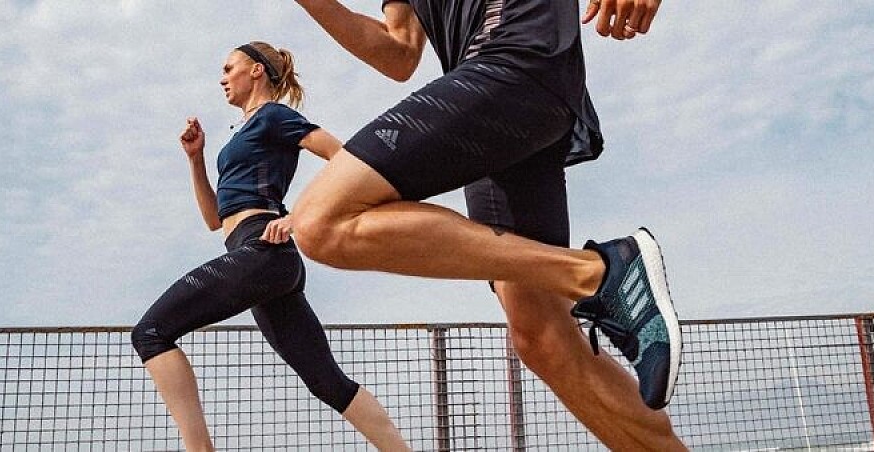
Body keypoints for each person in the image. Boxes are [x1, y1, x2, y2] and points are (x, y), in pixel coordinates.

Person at [277, 0, 686, 449]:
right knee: (541, 334)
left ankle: (599, 273)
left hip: (519, 52)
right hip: (488, 98)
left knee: (321, 220)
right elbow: (398, 52)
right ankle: (604, 280)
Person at [131, 41, 410, 452]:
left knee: (151, 332)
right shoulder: (242, 132)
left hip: (266, 251)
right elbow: (214, 220)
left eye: (229, 68)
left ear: (256, 70)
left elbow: (346, 160)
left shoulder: (274, 116)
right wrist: (196, 158)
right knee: (328, 383)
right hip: (257, 258)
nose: (222, 78)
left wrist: (300, 216)